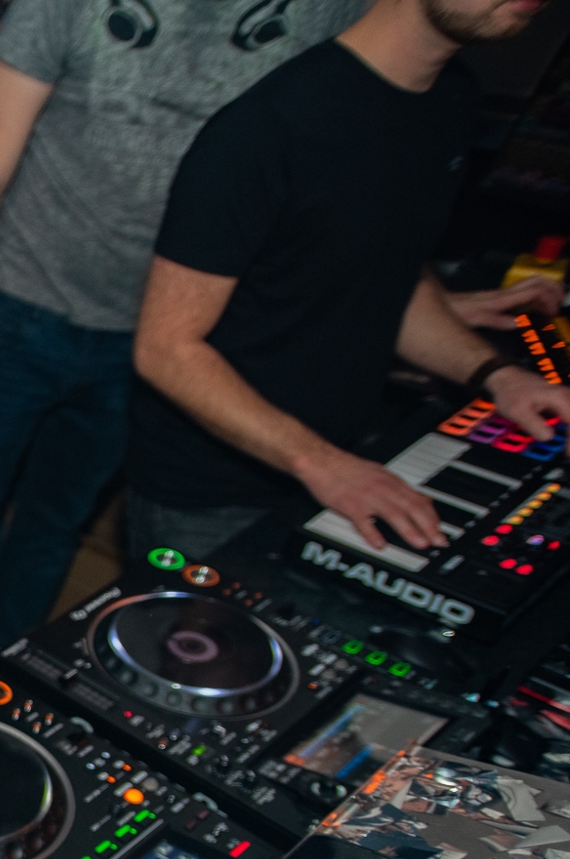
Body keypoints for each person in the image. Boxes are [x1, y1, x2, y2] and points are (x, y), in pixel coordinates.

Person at [0, 0, 367, 656]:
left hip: (156, 339)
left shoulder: (325, 9)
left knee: (54, 526)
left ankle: (1, 681)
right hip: (19, 310)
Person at [131, 0, 570, 560]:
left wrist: (498, 376)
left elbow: (389, 280)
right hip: (214, 494)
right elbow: (166, 349)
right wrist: (324, 465)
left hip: (339, 461)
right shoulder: (269, 125)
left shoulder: (452, 99)